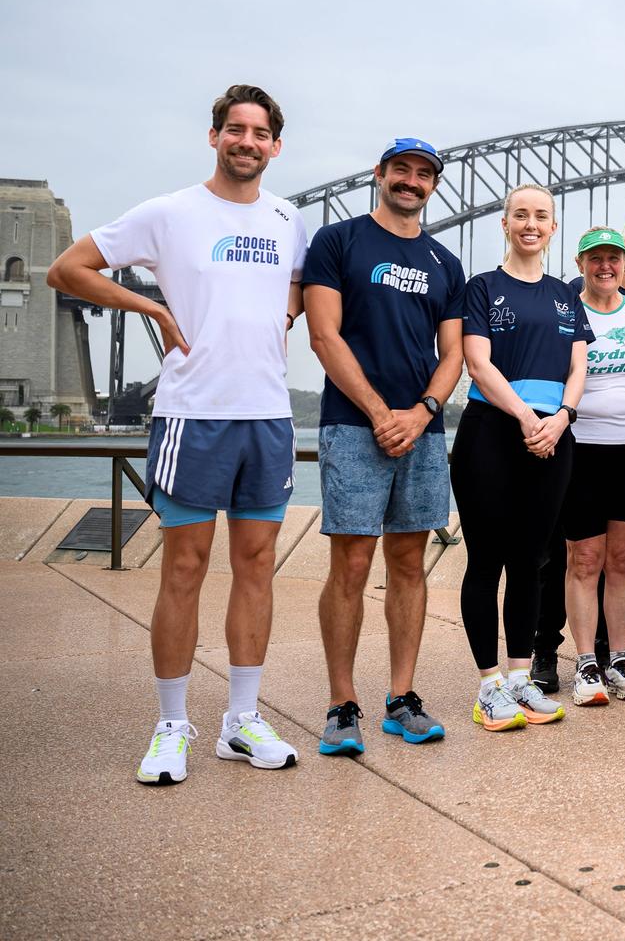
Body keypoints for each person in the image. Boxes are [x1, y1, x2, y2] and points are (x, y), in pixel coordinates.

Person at [47, 84, 306, 783]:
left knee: (256, 567)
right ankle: (171, 726)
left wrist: (283, 317)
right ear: (215, 136)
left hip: (268, 417)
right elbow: (66, 269)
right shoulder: (169, 213)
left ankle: (241, 722)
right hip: (193, 417)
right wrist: (152, 309)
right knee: (184, 570)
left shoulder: (289, 218)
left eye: (260, 133)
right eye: (235, 129)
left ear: (275, 147)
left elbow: (301, 284)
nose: (247, 142)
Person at [305, 136, 465, 756]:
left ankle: (402, 698)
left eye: (424, 174)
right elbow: (323, 334)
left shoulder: (444, 262)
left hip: (420, 430)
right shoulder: (338, 241)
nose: (411, 181)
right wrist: (379, 413)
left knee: (408, 562)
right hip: (353, 425)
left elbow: (451, 355)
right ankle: (342, 705)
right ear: (380, 173)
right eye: (401, 169)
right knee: (349, 564)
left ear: (432, 186)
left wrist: (421, 414)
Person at [451, 182, 586, 732]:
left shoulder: (565, 295)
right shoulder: (482, 288)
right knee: (486, 561)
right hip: (493, 431)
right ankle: (487, 686)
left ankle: (518, 677)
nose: (531, 224)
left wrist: (562, 418)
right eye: (520, 215)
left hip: (553, 435)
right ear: (504, 224)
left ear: (553, 228)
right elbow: (477, 363)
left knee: (532, 562)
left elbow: (577, 368)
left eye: (542, 216)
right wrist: (528, 418)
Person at [531, 214, 625, 691]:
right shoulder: (565, 312)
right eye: (596, 258)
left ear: (622, 261)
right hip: (581, 449)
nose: (606, 266)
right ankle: (586, 661)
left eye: (613, 257)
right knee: (584, 558)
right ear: (580, 263)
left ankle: (621, 660)